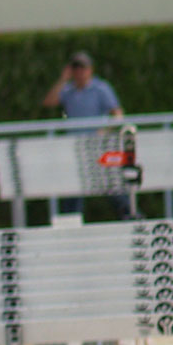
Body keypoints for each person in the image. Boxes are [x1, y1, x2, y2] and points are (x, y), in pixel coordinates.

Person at [43, 51, 126, 223]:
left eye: (83, 68)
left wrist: (104, 130)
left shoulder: (101, 88)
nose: (79, 72)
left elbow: (118, 115)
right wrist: (63, 79)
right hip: (75, 148)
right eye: (76, 68)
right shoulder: (67, 89)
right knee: (73, 191)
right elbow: (49, 102)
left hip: (98, 147)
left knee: (113, 188)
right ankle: (70, 226)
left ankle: (129, 219)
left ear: (90, 69)